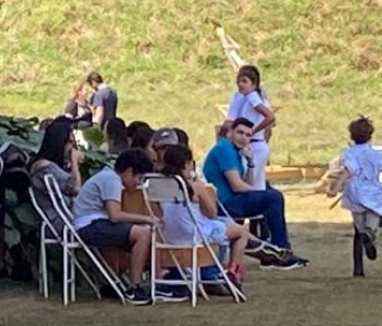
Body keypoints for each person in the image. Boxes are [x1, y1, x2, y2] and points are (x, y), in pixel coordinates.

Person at [202, 118, 307, 270]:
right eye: (240, 133)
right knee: (273, 197)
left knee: (270, 196)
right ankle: (280, 249)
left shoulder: (234, 152)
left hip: (230, 200)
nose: (243, 138)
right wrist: (262, 194)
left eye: (248, 135)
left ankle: (275, 249)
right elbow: (237, 186)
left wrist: (250, 162)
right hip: (223, 203)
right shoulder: (224, 150)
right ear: (230, 133)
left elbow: (248, 184)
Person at [70, 149, 164, 304]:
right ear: (129, 171)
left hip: (93, 223)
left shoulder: (108, 176)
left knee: (143, 231)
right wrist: (148, 219)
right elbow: (115, 215)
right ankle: (135, 286)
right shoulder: (112, 180)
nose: (139, 183)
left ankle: (144, 281)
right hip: (89, 226)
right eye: (139, 178)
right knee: (143, 233)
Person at [156, 144, 249, 288]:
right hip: (195, 234)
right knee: (242, 231)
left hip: (170, 235)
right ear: (187, 163)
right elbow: (211, 213)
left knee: (223, 225)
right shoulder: (194, 186)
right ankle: (234, 271)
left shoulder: (158, 184)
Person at [332, 116, 382, 261]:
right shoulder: (375, 154)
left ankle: (363, 234)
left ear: (351, 136)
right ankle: (370, 232)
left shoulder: (350, 153)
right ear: (370, 136)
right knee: (374, 213)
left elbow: (348, 170)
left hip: (354, 193)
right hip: (373, 192)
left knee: (359, 222)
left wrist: (335, 188)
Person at [226, 65, 276, 192]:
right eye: (239, 81)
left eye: (244, 81)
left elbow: (270, 117)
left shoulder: (253, 97)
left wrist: (252, 132)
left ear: (254, 84)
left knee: (247, 183)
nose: (240, 84)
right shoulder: (246, 98)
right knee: (258, 186)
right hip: (257, 144)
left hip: (254, 145)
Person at [30, 117, 84, 225]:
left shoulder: (48, 165)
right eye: (70, 142)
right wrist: (74, 161)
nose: (72, 147)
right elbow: (75, 188)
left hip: (66, 217)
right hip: (60, 221)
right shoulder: (45, 167)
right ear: (60, 142)